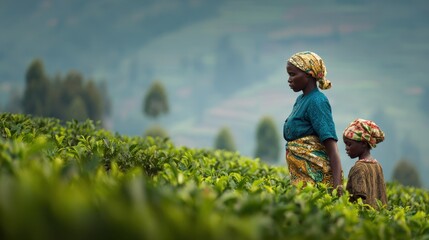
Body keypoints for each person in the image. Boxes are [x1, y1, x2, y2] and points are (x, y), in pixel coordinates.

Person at [283, 51, 343, 193]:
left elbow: (332, 147)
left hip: (317, 181)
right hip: (302, 178)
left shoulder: (317, 101)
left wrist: (338, 187)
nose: (289, 80)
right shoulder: (301, 100)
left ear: (309, 74)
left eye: (292, 74)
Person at [343, 118, 388, 209]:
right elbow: (383, 198)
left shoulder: (359, 168)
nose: (346, 148)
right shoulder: (377, 166)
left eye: (349, 144)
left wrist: (340, 192)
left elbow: (358, 201)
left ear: (363, 143)